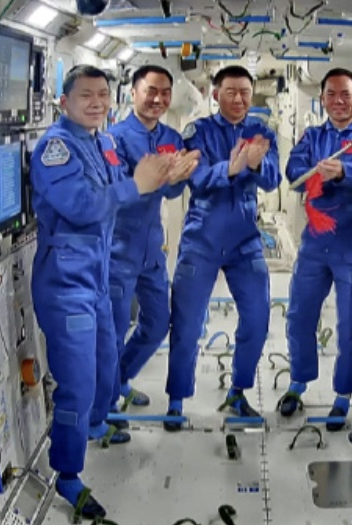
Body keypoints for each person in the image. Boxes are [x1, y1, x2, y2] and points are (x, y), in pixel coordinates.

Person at [30, 65, 175, 520]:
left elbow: (121, 187)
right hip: (66, 282)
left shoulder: (102, 142)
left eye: (102, 95)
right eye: (85, 95)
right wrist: (137, 184)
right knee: (76, 383)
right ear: (64, 102)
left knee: (106, 366)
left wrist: (159, 176)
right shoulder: (55, 149)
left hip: (97, 274)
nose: (96, 103)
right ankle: (67, 474)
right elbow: (81, 206)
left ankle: (94, 427)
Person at [164, 65, 281, 430]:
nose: (239, 99)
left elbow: (273, 179)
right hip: (202, 237)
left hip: (245, 239)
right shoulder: (198, 132)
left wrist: (256, 166)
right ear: (216, 95)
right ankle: (177, 400)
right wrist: (230, 170)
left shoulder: (261, 133)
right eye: (231, 92)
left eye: (245, 92)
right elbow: (197, 179)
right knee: (187, 323)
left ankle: (238, 391)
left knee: (258, 318)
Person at [278, 68, 352, 431]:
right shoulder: (314, 136)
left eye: (346, 94)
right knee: (299, 316)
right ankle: (299, 381)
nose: (338, 101)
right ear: (322, 99)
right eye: (331, 95)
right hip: (315, 241)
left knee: (351, 325)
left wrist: (343, 172)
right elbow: (293, 169)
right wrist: (313, 172)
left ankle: (343, 395)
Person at [107, 65, 199, 419]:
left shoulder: (171, 138)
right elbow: (118, 194)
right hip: (118, 249)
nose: (158, 99)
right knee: (113, 332)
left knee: (158, 323)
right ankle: (105, 408)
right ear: (133, 93)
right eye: (151, 91)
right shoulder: (114, 139)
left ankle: (119, 379)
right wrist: (158, 179)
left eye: (165, 93)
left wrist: (175, 178)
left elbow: (173, 192)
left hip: (151, 249)